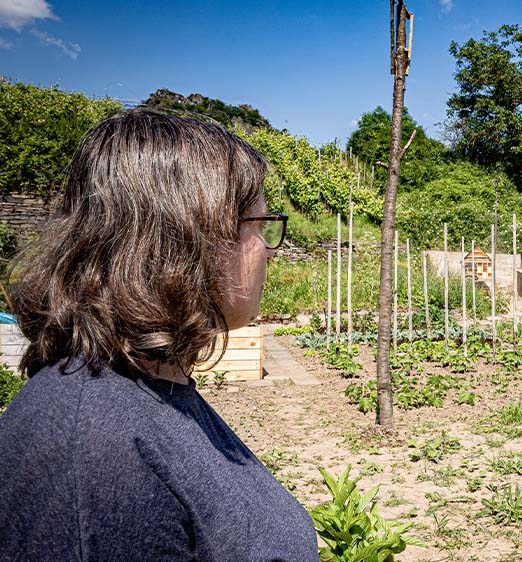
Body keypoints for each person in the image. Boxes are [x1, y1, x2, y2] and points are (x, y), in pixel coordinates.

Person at [0, 111, 317, 562]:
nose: (268, 249)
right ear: (191, 241)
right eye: (259, 226)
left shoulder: (152, 391)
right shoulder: (94, 452)